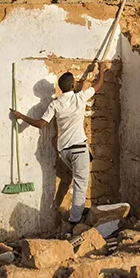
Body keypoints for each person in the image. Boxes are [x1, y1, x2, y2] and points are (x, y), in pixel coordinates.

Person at [9, 65, 105, 224]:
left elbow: (41, 124)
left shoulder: (55, 104)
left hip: (65, 151)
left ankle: (66, 208)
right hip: (79, 149)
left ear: (60, 89)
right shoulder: (80, 97)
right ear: (73, 86)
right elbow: (98, 84)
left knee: (69, 177)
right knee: (81, 184)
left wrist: (20, 116)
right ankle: (75, 221)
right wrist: (101, 69)